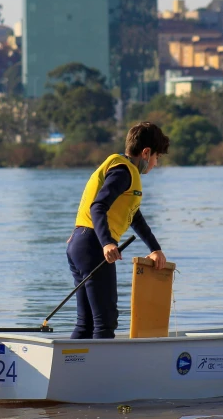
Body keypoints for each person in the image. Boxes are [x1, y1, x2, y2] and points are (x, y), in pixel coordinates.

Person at [67, 121, 170, 339]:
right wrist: (107, 242)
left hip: (80, 244)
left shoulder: (122, 170)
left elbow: (135, 217)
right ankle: (99, 373)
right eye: (156, 158)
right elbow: (98, 207)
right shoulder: (123, 172)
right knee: (105, 323)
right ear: (146, 152)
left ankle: (74, 368)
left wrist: (155, 249)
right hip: (93, 245)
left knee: (86, 324)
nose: (155, 164)